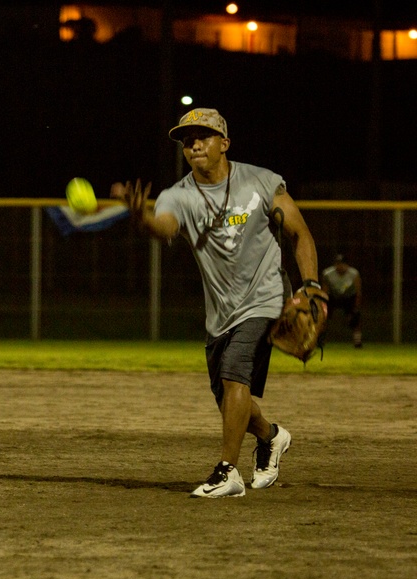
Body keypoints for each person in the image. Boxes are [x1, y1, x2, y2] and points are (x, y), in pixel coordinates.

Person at [120, 108, 324, 498]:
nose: (194, 144)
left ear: (224, 144)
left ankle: (227, 472)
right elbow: (164, 227)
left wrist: (310, 285)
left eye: (203, 136)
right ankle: (271, 437)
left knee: (235, 374)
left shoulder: (261, 182)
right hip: (221, 312)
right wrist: (142, 218)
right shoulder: (178, 196)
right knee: (230, 397)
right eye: (186, 139)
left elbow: (300, 234)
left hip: (266, 298)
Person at [322, 254, 363, 348]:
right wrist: (323, 305)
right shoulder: (328, 274)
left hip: (349, 297)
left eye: (342, 264)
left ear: (347, 265)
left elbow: (358, 292)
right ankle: (320, 339)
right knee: (322, 316)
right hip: (333, 296)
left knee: (355, 317)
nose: (340, 266)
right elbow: (324, 291)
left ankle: (357, 341)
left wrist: (356, 306)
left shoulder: (354, 274)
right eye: (338, 264)